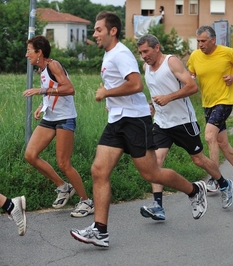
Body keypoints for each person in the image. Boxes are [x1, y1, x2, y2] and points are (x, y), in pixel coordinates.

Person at [70, 12, 207, 248]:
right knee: (99, 171)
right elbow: (123, 85)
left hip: (135, 121)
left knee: (151, 173)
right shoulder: (110, 54)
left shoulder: (121, 53)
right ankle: (100, 231)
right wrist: (110, 99)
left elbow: (136, 85)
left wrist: (106, 94)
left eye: (98, 29)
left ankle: (194, 190)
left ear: (112, 30)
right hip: (118, 120)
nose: (94, 34)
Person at [137, 34, 233, 220]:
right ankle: (158, 206)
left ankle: (223, 183)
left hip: (183, 122)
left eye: (146, 51)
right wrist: (152, 104)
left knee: (198, 160)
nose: (144, 56)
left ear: (157, 48)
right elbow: (158, 91)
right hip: (162, 123)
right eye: (141, 52)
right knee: (156, 163)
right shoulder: (146, 68)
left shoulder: (171, 62)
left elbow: (192, 87)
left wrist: (168, 97)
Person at [23, 35, 94, 218]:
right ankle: (63, 187)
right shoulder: (42, 69)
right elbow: (52, 90)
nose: (26, 54)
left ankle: (86, 201)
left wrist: (41, 91)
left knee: (64, 163)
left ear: (39, 52)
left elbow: (69, 89)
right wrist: (42, 105)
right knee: (30, 155)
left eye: (29, 51)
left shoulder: (53, 65)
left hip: (65, 119)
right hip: (50, 118)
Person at [187, 25, 233, 190]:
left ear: (213, 40)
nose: (200, 44)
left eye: (203, 41)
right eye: (198, 41)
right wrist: (190, 77)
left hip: (224, 100)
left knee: (209, 136)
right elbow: (191, 73)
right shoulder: (195, 56)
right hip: (207, 103)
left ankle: (215, 178)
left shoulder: (227, 52)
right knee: (221, 142)